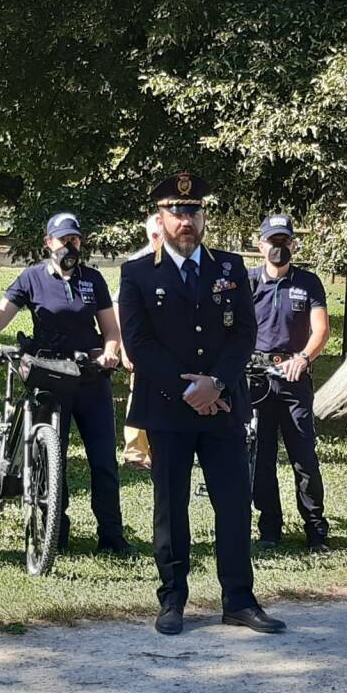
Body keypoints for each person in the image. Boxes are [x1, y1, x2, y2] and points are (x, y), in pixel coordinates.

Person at [118, 172, 285, 635]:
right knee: (171, 509)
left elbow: (243, 334)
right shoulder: (136, 273)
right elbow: (139, 342)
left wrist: (216, 383)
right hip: (168, 409)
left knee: (232, 504)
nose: (185, 220)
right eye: (175, 211)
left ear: (203, 217)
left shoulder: (231, 269)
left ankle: (239, 600)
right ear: (160, 218)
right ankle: (172, 600)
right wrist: (189, 390)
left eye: (192, 211)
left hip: (224, 406)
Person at [0, 212, 132, 555]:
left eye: (75, 239)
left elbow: (111, 329)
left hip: (90, 376)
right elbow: (2, 313)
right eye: (63, 239)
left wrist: (111, 351)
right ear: (48, 243)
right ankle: (56, 532)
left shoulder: (92, 279)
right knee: (51, 458)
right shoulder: (32, 278)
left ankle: (111, 536)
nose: (70, 245)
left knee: (103, 462)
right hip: (49, 375)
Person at [247, 213, 331, 552]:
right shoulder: (248, 282)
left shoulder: (308, 282)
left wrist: (304, 358)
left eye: (284, 240)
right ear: (260, 244)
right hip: (257, 379)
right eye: (273, 240)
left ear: (293, 243)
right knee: (260, 457)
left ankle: (316, 531)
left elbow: (321, 330)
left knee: (304, 456)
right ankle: (269, 529)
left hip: (294, 378)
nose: (278, 247)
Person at [113, 214, 161, 471]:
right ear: (154, 236)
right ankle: (135, 451)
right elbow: (118, 306)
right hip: (141, 342)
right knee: (139, 393)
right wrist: (124, 346)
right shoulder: (136, 264)